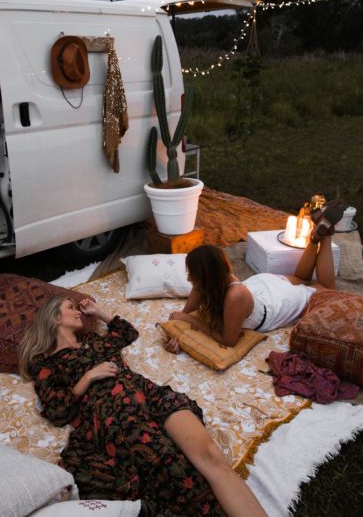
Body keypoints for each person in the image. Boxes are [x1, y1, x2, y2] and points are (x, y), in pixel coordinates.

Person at [18, 296, 266, 517]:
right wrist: (88, 377)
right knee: (174, 467)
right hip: (113, 413)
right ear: (54, 318)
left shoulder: (93, 341)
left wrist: (99, 311)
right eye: (71, 308)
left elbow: (127, 332)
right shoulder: (47, 363)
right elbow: (57, 411)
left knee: (210, 454)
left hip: (148, 394)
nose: (78, 312)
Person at [164, 199, 345, 352]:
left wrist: (190, 320)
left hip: (274, 304)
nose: (189, 279)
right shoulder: (206, 283)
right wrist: (178, 334)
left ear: (206, 276)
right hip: (262, 286)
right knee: (303, 279)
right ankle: (314, 238)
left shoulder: (234, 296)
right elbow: (182, 315)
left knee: (326, 289)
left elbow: (228, 340)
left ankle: (325, 235)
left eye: (192, 274)